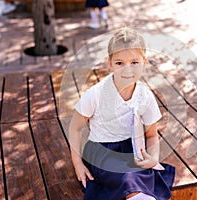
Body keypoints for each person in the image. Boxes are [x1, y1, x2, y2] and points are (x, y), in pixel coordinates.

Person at [69, 27, 175, 200]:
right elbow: (74, 128)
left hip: (132, 148)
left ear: (144, 62)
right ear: (110, 63)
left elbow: (151, 134)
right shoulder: (95, 94)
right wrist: (77, 164)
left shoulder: (145, 96)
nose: (127, 70)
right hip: (102, 151)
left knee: (138, 173)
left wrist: (153, 158)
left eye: (134, 62)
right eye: (119, 63)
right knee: (127, 178)